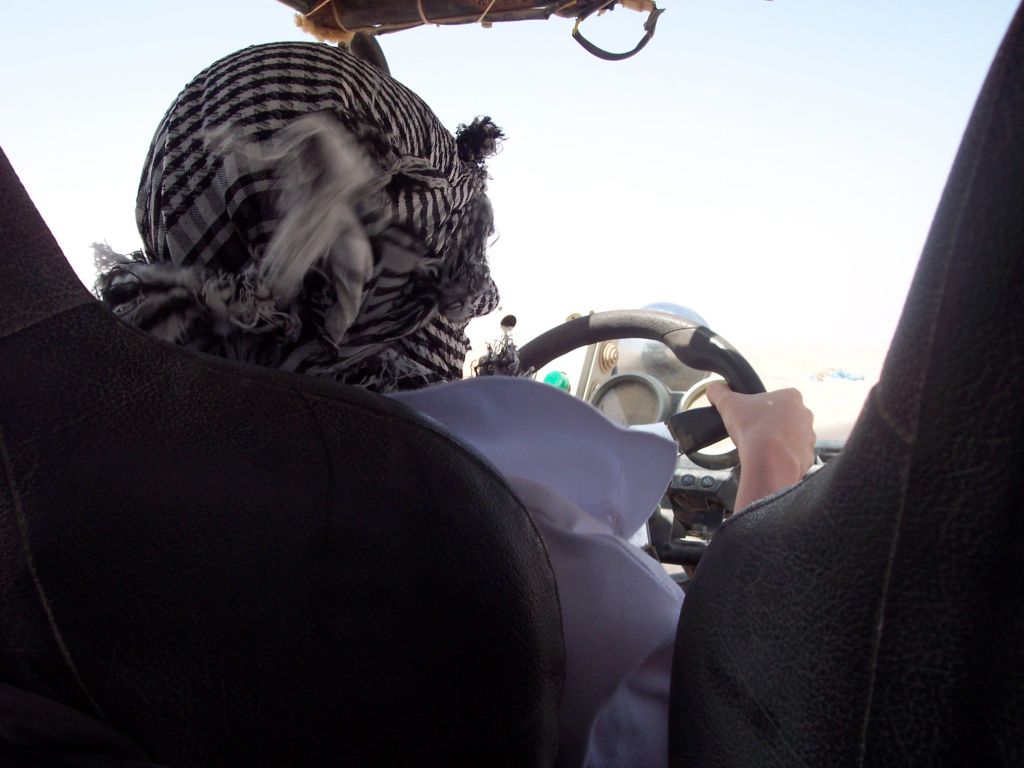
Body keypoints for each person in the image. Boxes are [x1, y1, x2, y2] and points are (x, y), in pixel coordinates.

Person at [97, 41, 815, 768]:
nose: (476, 302)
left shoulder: (148, 507)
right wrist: (772, 475)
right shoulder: (499, 535)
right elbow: (735, 719)